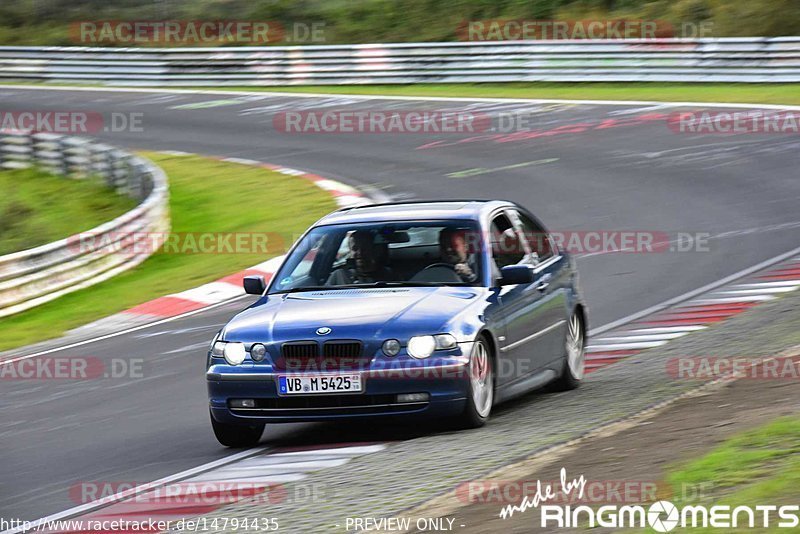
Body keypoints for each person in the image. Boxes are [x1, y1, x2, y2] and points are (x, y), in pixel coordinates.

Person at [326, 230, 394, 285]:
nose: (360, 253)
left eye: (364, 248)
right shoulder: (339, 275)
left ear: (373, 250)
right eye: (355, 249)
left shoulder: (388, 275)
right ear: (350, 251)